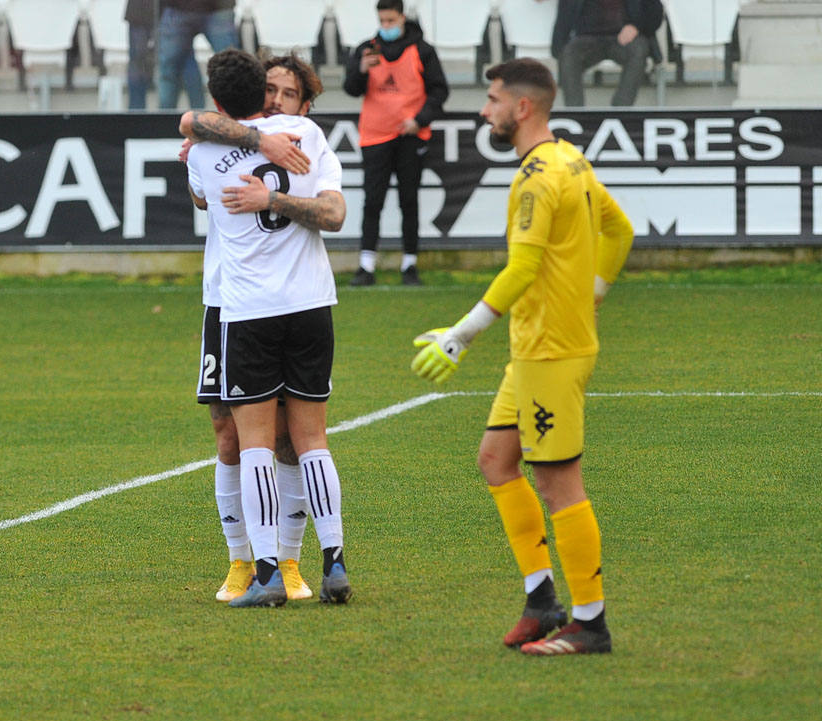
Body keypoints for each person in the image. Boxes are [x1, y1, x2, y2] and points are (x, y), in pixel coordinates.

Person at [411, 58, 633, 654]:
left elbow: (523, 267)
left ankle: (590, 623)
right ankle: (542, 600)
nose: (485, 110)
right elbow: (622, 231)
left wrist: (459, 335)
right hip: (538, 349)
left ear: (522, 107)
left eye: (491, 99)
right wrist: (596, 292)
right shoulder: (572, 161)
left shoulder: (537, 177)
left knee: (560, 484)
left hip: (550, 354)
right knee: (496, 460)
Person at [185, 48, 352, 608]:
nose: (280, 99)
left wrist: (258, 182)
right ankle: (319, 563)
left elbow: (195, 149)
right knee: (249, 436)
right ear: (262, 94)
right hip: (281, 302)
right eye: (272, 89)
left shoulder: (208, 145)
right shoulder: (302, 134)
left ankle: (275, 568)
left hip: (250, 307)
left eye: (289, 91)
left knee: (268, 441)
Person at [343, 0, 448, 287]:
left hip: (410, 136)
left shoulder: (423, 50)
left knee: (408, 200)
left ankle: (410, 265)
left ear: (402, 17)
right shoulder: (367, 48)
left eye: (391, 20)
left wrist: (420, 120)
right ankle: (366, 267)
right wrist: (361, 69)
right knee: (372, 201)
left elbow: (439, 91)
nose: (386, 26)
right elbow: (351, 88)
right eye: (382, 21)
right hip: (375, 135)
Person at [551, 0, 664, 107]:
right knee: (568, 53)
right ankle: (575, 113)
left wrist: (636, 27)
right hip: (586, 38)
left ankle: (620, 111)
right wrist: (559, 48)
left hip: (624, 39)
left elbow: (656, 13)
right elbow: (564, 17)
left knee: (639, 49)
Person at [158, 0, 238, 110]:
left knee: (234, 68)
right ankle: (163, 122)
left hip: (218, 8)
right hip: (178, 8)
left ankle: (238, 120)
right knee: (169, 72)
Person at [125, 0, 202, 110]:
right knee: (185, 60)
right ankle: (199, 112)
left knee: (185, 60)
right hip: (170, 10)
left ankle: (138, 114)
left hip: (172, 10)